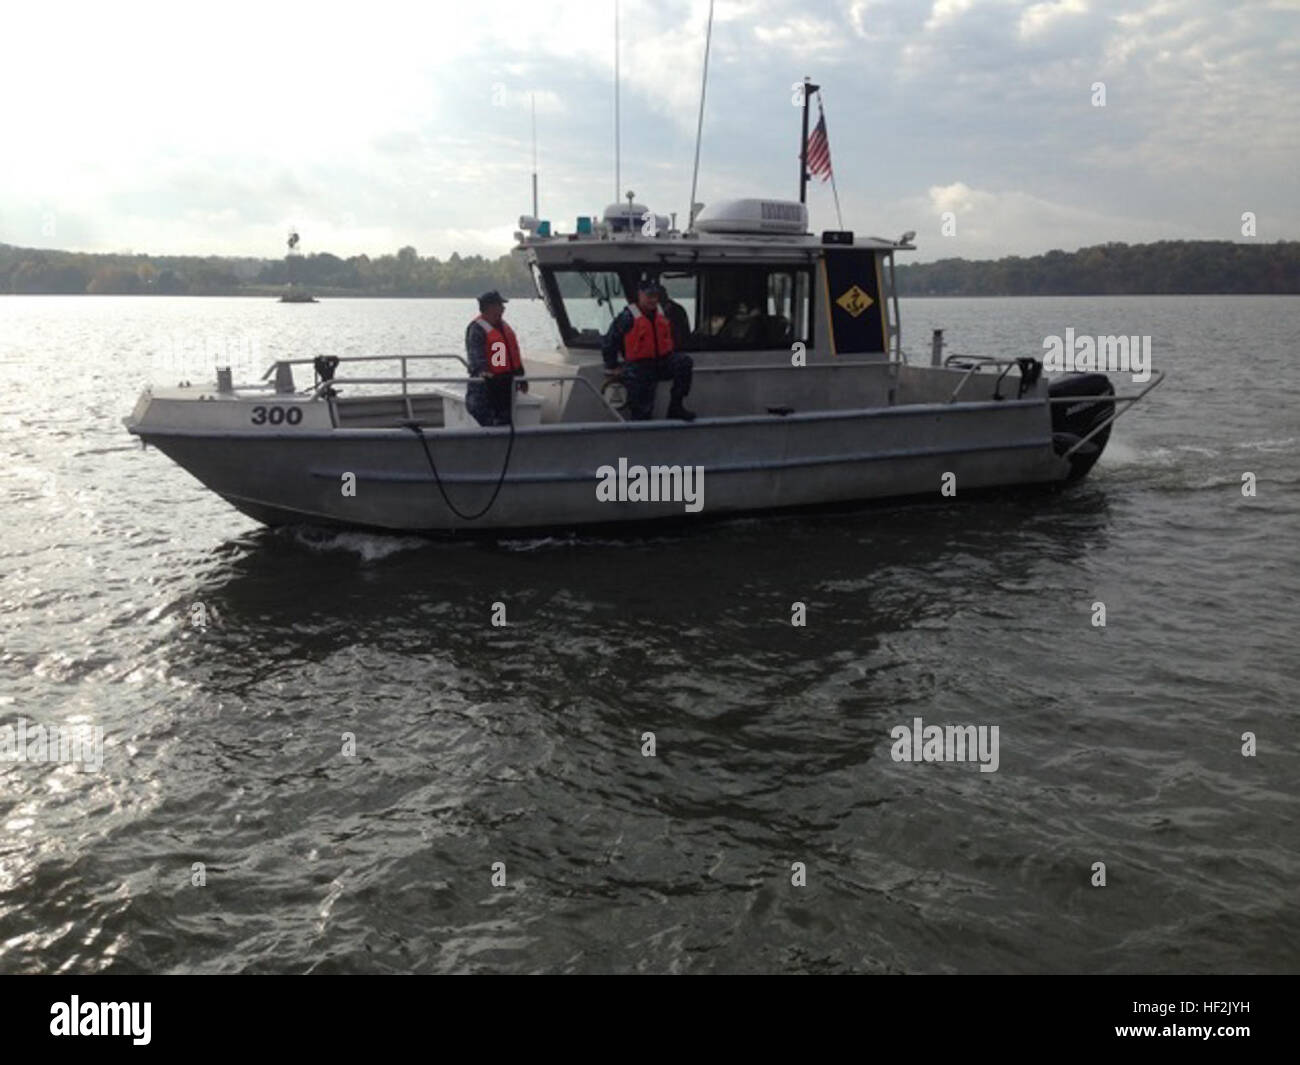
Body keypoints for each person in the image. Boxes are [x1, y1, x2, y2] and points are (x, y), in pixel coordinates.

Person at [602, 280, 695, 421]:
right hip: (638, 366)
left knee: (684, 362)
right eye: (649, 296)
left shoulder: (662, 313)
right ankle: (641, 422)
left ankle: (676, 407)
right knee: (642, 408)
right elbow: (610, 340)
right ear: (640, 295)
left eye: (655, 296)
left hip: (661, 362)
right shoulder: (628, 316)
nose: (653, 300)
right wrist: (612, 365)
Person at [466, 290, 526, 426]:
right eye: (500, 305)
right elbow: (477, 361)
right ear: (490, 307)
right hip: (486, 390)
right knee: (492, 423)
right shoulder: (477, 329)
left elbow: (511, 355)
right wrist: (487, 375)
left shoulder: (503, 327)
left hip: (505, 387)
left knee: (504, 423)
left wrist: (521, 375)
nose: (504, 308)